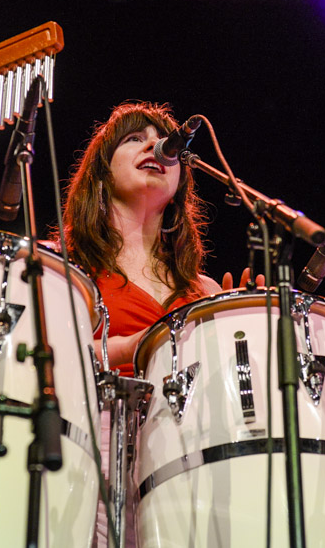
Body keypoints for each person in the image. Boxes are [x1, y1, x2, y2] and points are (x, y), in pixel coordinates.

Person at [60, 99, 250, 546]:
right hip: (96, 450)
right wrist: (128, 348)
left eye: (163, 144)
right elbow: (40, 360)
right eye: (134, 139)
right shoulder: (67, 269)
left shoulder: (203, 289)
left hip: (192, 458)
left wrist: (243, 328)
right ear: (102, 172)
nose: (154, 147)